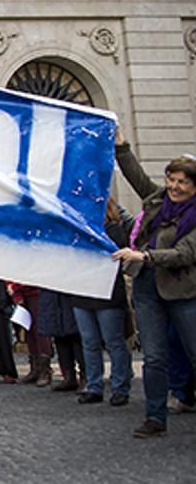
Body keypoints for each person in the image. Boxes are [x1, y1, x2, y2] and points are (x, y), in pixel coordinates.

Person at [112, 129, 196, 438]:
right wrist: (122, 148)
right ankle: (155, 416)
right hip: (149, 289)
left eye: (182, 182)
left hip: (184, 291)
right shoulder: (158, 201)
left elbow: (184, 254)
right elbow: (137, 179)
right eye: (171, 180)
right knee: (155, 356)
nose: (174, 186)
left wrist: (144, 256)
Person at [72, 199, 133, 406]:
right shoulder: (78, 230)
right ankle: (94, 385)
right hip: (82, 291)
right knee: (89, 342)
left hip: (107, 293)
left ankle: (120, 386)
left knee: (114, 342)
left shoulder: (113, 229)